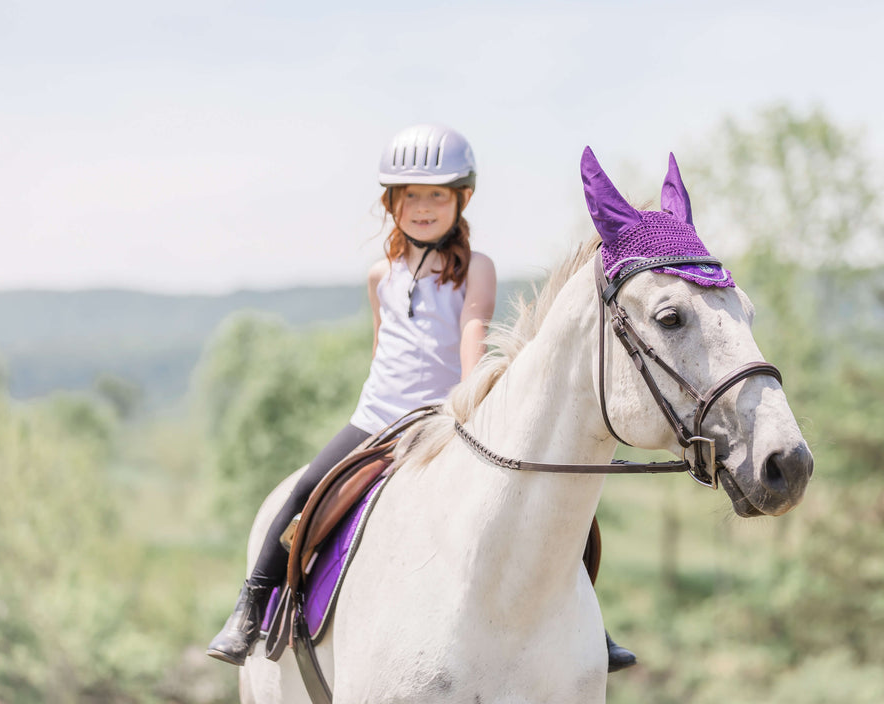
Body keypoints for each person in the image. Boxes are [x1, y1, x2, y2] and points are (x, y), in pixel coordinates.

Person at [206, 123, 636, 672]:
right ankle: (250, 607)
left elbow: (472, 328)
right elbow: (382, 344)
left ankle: (589, 626)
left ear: (463, 200)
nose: (425, 207)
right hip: (379, 415)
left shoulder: (475, 268)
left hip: (442, 413)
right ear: (392, 203)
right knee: (306, 494)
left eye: (438, 195)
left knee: (551, 507)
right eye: (412, 195)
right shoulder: (379, 274)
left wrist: (469, 400)